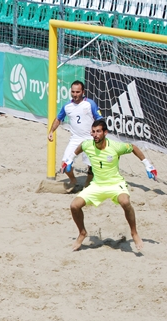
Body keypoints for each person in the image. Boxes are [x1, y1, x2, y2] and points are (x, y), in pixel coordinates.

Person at [69, 119, 157, 251]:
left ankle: (134, 232)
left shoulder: (115, 146)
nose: (95, 134)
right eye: (93, 132)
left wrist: (148, 165)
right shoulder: (88, 144)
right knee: (74, 206)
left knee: (125, 202)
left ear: (105, 132)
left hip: (115, 183)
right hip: (97, 185)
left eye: (98, 131)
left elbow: (133, 147)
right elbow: (81, 146)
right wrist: (69, 160)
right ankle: (82, 232)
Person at [48, 80, 102, 188]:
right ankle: (73, 181)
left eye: (77, 92)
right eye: (73, 92)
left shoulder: (90, 104)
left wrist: (98, 133)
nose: (75, 94)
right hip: (75, 139)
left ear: (83, 92)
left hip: (90, 139)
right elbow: (58, 119)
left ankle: (88, 183)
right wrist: (51, 131)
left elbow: (100, 119)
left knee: (92, 166)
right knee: (65, 165)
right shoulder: (67, 106)